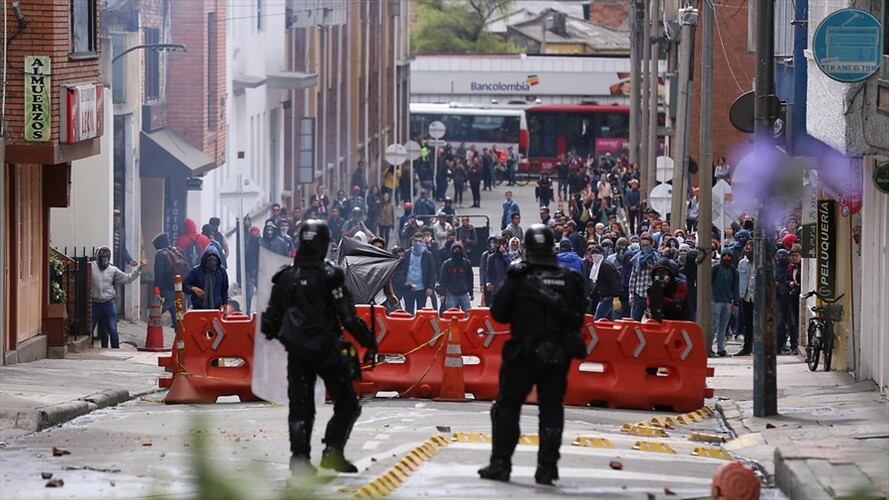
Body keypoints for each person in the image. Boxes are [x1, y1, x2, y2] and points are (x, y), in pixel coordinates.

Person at [260, 220, 377, 476]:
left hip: (298, 353)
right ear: (324, 244)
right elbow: (348, 317)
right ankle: (332, 452)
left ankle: (300, 459)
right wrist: (369, 340)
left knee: (300, 407)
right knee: (348, 403)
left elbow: (269, 323)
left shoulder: (285, 277)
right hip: (327, 350)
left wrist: (287, 335)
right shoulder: (330, 276)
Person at [478, 225, 587, 486]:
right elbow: (578, 317)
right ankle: (547, 468)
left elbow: (499, 312)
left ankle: (501, 463)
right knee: (551, 407)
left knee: (507, 406)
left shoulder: (519, 275)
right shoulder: (569, 278)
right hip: (557, 354)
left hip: (524, 352)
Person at [91, 247, 143, 348]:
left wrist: (138, 270)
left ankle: (116, 350)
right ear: (98, 257)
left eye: (106, 258)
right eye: (103, 258)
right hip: (95, 303)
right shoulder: (91, 267)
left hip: (108, 303)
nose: (104, 261)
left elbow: (127, 278)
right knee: (90, 328)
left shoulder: (112, 270)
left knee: (112, 329)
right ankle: (90, 348)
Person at [152, 232, 189, 321]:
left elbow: (159, 274)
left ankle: (152, 329)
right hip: (178, 289)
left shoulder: (160, 254)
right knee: (178, 318)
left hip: (166, 290)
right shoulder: (176, 251)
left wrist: (157, 289)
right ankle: (179, 330)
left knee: (155, 315)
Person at [397, 233, 436, 314]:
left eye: (420, 241)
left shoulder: (427, 255)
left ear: (423, 242)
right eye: (416, 241)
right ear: (412, 241)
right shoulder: (406, 254)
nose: (417, 243)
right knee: (408, 312)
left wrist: (430, 287)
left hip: (422, 288)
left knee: (421, 312)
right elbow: (400, 269)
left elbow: (432, 272)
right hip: (408, 287)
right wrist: (402, 284)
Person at [711, 251, 740, 357]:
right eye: (725, 256)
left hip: (727, 301)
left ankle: (721, 348)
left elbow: (735, 287)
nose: (727, 258)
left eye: (729, 256)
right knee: (713, 326)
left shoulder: (734, 271)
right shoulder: (716, 268)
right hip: (716, 301)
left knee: (723, 327)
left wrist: (735, 302)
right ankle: (709, 347)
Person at [628, 234, 659, 321]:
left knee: (654, 321)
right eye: (643, 245)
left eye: (647, 245)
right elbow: (633, 278)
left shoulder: (657, 257)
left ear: (652, 244)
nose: (645, 247)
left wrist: (653, 268)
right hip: (639, 294)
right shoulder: (636, 258)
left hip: (653, 295)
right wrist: (631, 295)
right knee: (635, 321)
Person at [438, 242, 474, 312]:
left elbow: (470, 278)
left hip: (464, 293)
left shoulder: (466, 263)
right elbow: (442, 280)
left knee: (468, 314)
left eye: (458, 250)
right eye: (455, 250)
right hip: (451, 293)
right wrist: (442, 294)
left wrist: (471, 292)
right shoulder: (447, 264)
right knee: (451, 314)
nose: (457, 251)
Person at [735, 240, 754, 356]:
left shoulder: (761, 263)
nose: (748, 251)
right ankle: (747, 347)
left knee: (758, 323)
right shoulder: (742, 263)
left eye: (751, 249)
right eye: (747, 249)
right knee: (748, 323)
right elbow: (739, 279)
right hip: (746, 296)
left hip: (757, 297)